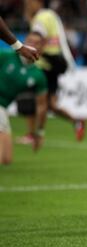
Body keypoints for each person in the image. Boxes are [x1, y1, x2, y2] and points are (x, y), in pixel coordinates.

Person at [19, 0, 86, 143]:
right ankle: (77, 121)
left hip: (43, 65)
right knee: (51, 105)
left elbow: (37, 38)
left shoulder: (40, 18)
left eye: (29, 3)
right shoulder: (51, 15)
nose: (27, 6)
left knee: (31, 97)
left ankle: (32, 134)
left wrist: (28, 54)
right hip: (54, 65)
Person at [0, 32, 48, 164]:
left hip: (3, 108)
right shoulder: (6, 56)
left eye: (36, 42)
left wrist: (40, 132)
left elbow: (42, 106)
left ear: (42, 47)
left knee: (6, 159)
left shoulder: (38, 75)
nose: (32, 44)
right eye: (30, 41)